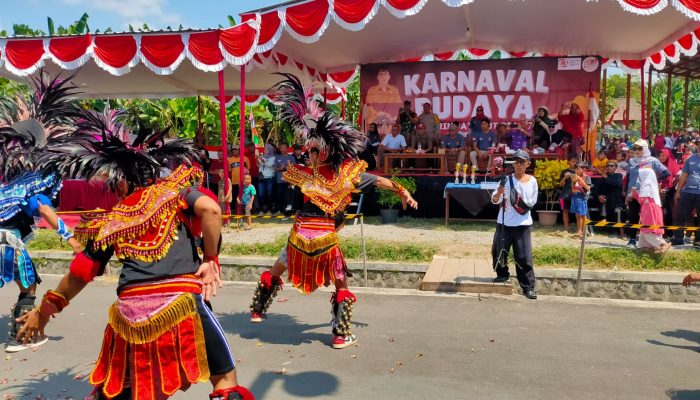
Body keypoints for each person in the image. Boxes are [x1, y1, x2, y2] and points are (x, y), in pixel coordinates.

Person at [23, 112, 253, 399]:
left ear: (120, 184)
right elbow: (212, 210)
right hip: (181, 304)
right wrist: (210, 260)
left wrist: (44, 311)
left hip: (130, 315)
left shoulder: (112, 220)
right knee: (225, 381)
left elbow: (79, 273)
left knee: (129, 388)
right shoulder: (174, 193)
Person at [248, 74, 418, 349]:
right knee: (340, 284)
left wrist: (400, 190)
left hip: (300, 239)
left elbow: (374, 180)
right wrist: (402, 190)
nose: (311, 153)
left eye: (314, 150)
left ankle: (258, 309)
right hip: (325, 241)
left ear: (324, 151)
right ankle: (340, 334)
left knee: (278, 267)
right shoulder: (341, 174)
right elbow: (378, 180)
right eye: (311, 149)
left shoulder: (305, 174)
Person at [0, 73, 84, 353]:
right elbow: (44, 208)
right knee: (29, 286)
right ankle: (20, 338)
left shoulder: (6, 183)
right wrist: (70, 238)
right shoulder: (31, 183)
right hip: (6, 241)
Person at [490, 150, 538, 300]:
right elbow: (494, 200)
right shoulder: (505, 179)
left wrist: (517, 200)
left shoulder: (532, 181)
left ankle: (528, 287)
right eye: (516, 162)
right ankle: (502, 274)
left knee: (524, 255)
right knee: (499, 250)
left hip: (523, 223)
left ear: (527, 164)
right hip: (504, 222)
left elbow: (532, 201)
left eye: (522, 162)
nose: (518, 165)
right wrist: (499, 192)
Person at [625, 139, 670, 248]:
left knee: (647, 217)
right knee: (632, 215)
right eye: (635, 148)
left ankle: (651, 243)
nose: (637, 151)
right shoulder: (631, 162)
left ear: (645, 149)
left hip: (647, 194)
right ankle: (632, 240)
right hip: (633, 193)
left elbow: (666, 172)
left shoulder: (653, 161)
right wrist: (626, 192)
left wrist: (652, 179)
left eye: (639, 148)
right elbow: (627, 178)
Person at [632, 167, 671, 253]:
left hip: (649, 209)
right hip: (652, 208)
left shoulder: (646, 185)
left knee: (647, 229)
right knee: (645, 230)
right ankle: (645, 248)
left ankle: (661, 244)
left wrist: (634, 193)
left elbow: (642, 199)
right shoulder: (652, 185)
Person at [671, 148, 700, 247]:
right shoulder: (691, 158)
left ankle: (698, 241)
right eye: (698, 144)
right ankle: (678, 239)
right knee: (680, 215)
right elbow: (684, 175)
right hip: (687, 192)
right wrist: (678, 191)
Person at [364, 66, 402, 133]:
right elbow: (368, 107)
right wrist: (380, 114)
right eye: (381, 74)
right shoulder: (371, 90)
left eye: (385, 74)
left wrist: (390, 118)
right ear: (377, 77)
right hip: (375, 123)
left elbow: (398, 108)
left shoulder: (394, 90)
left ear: (389, 76)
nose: (383, 77)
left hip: (390, 124)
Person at [594, 160, 625, 236]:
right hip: (606, 202)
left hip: (617, 201)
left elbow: (617, 183)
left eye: (611, 166)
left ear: (616, 167)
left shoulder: (618, 175)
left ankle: (622, 232)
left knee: (618, 211)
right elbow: (595, 190)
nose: (609, 167)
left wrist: (606, 177)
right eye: (607, 166)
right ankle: (610, 230)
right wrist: (598, 196)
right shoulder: (602, 178)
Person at [570, 162, 592, 238]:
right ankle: (579, 230)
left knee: (583, 215)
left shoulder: (587, 177)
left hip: (582, 197)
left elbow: (588, 188)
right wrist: (573, 182)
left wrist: (579, 179)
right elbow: (572, 188)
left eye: (578, 169)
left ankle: (584, 230)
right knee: (577, 215)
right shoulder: (575, 177)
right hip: (575, 196)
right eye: (575, 169)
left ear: (584, 169)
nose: (576, 171)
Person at [559, 155, 579, 231]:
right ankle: (566, 227)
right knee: (565, 210)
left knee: (578, 211)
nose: (574, 163)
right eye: (573, 161)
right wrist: (565, 178)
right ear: (568, 162)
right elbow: (560, 184)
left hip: (577, 193)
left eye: (576, 161)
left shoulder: (579, 170)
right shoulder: (564, 171)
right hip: (566, 193)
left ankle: (579, 228)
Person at [274, 142, 294, 215]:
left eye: (284, 147)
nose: (282, 149)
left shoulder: (291, 157)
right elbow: (275, 169)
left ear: (287, 148)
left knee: (288, 196)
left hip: (288, 180)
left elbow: (294, 169)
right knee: (279, 195)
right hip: (279, 180)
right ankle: (280, 210)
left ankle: (288, 211)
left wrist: (286, 167)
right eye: (281, 148)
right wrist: (280, 168)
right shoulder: (277, 157)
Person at [257, 144, 276, 215]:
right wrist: (258, 159)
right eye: (264, 149)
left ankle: (269, 210)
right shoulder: (262, 156)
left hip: (269, 178)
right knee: (261, 194)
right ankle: (262, 210)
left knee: (269, 194)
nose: (265, 150)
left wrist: (262, 159)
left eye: (266, 149)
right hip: (262, 178)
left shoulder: (273, 157)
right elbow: (258, 165)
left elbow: (269, 165)